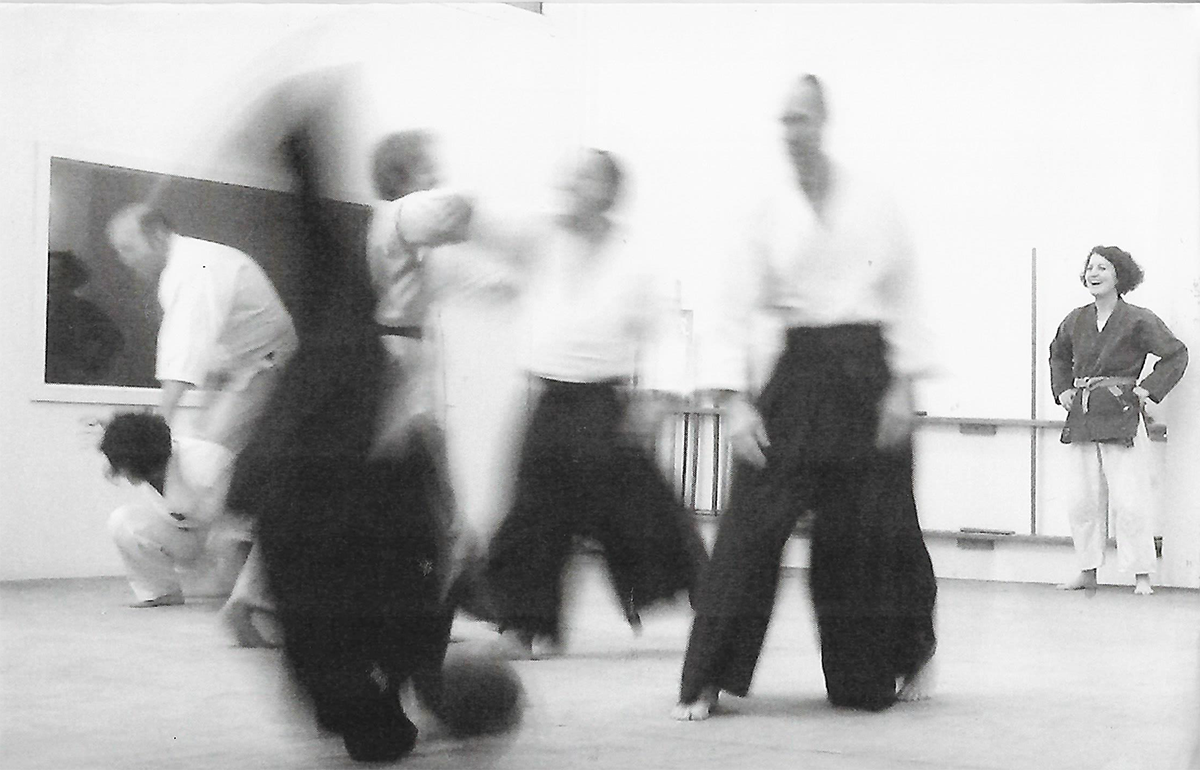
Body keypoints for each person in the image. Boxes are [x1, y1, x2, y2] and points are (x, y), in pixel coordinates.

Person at [673, 74, 938, 720]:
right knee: (751, 525)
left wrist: (903, 385)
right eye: (784, 120)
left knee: (870, 532)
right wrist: (735, 402)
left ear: (824, 121)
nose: (792, 131)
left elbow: (906, 293)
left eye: (803, 118)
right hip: (798, 372)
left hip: (869, 372)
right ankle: (706, 678)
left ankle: (881, 669)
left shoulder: (873, 201)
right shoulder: (764, 211)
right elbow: (730, 309)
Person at [225, 111, 480, 761]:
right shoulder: (399, 219)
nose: (437, 177)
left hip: (332, 454)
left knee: (369, 556)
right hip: (356, 423)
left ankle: (253, 596)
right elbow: (444, 212)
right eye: (427, 169)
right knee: (408, 556)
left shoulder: (374, 262)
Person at [479, 148, 707, 658]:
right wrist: (454, 210)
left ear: (608, 191)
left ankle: (712, 599)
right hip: (550, 398)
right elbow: (487, 231)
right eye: (570, 177)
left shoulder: (636, 255)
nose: (570, 186)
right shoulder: (540, 237)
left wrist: (658, 397)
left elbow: (667, 329)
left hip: (603, 402)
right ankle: (526, 627)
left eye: (584, 178)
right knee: (533, 512)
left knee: (641, 509)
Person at [106, 203, 298, 644]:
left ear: (157, 236)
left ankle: (247, 589)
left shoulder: (197, 267)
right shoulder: (183, 269)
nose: (123, 258)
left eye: (128, 248)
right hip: (236, 371)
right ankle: (218, 576)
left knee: (215, 467)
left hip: (268, 368)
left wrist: (154, 431)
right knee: (204, 468)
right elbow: (196, 347)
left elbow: (183, 348)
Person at [1049, 245, 1187, 596]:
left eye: (1103, 268)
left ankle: (1141, 575)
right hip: (1083, 415)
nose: (1093, 274)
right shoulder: (1075, 319)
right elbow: (1058, 355)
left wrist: (1147, 389)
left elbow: (1175, 354)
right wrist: (1062, 389)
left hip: (1121, 414)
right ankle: (1087, 570)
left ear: (1119, 276)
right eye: (1090, 268)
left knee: (1130, 499)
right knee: (1081, 500)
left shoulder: (1138, 319)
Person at [100, 412, 252, 613]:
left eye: (124, 466)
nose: (122, 473)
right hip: (195, 541)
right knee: (123, 522)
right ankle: (162, 592)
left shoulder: (206, 461)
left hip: (240, 544)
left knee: (233, 572)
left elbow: (243, 521)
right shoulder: (147, 459)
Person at [45, 250, 124, 385]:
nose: (50, 280)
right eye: (47, 275)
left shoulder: (84, 310)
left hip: (65, 380)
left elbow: (114, 339)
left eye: (56, 276)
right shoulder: (28, 307)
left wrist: (91, 369)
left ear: (70, 279)